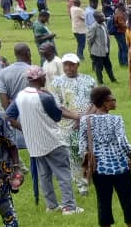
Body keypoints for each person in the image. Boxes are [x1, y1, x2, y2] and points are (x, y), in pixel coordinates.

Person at [6, 66, 84, 214]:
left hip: (34, 144)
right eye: (44, 76)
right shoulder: (44, 97)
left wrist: (25, 128)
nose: (45, 78)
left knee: (44, 175)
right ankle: (69, 206)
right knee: (63, 173)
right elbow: (56, 116)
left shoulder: (20, 96)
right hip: (53, 141)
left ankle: (52, 205)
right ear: (39, 78)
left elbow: (8, 117)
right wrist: (75, 116)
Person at [79, 86, 131, 227]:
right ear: (105, 103)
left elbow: (82, 147)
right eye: (112, 99)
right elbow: (123, 142)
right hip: (120, 167)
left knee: (103, 202)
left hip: (99, 169)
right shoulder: (116, 119)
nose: (115, 102)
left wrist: (86, 163)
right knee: (127, 201)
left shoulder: (86, 120)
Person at [49, 54, 95, 197]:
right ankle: (82, 186)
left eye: (71, 64)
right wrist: (77, 117)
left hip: (88, 123)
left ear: (77, 65)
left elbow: (96, 101)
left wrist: (84, 118)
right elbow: (57, 107)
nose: (68, 68)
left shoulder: (89, 80)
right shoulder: (56, 83)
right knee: (74, 155)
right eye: (66, 65)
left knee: (90, 152)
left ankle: (93, 178)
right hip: (68, 126)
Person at [86, 12, 117, 85]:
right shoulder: (93, 27)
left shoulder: (104, 24)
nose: (103, 17)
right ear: (96, 18)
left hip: (105, 50)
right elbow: (89, 40)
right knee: (99, 68)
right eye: (101, 17)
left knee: (109, 66)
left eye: (103, 16)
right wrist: (91, 51)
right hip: (97, 52)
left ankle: (113, 79)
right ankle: (100, 82)